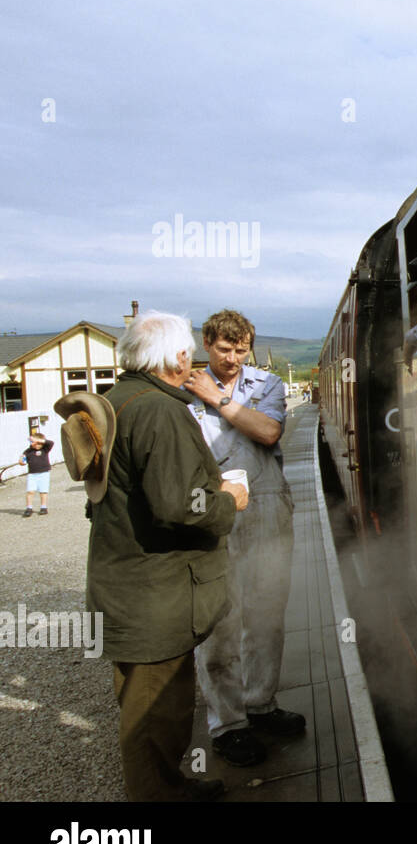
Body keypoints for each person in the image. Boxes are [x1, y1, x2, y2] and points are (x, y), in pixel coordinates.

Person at [85, 310, 248, 801]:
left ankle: (167, 787)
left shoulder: (118, 400)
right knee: (155, 716)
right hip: (155, 596)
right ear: (179, 357)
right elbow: (179, 505)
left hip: (127, 586)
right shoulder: (158, 410)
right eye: (189, 354)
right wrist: (227, 500)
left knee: (147, 711)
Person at [184, 309, 302, 767]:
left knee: (268, 615)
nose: (233, 358)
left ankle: (261, 703)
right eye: (223, 349)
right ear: (207, 344)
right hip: (214, 512)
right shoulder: (182, 391)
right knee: (219, 623)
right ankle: (228, 724)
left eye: (241, 349)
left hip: (268, 506)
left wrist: (218, 400)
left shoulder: (265, 385)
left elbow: (269, 431)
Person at [20, 432, 55, 516]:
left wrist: (39, 440)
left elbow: (51, 443)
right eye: (34, 443)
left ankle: (43, 507)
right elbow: (23, 460)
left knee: (43, 491)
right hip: (32, 474)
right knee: (30, 491)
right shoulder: (28, 451)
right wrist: (21, 462)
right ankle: (29, 508)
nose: (36, 445)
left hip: (44, 473)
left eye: (39, 443)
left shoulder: (45, 449)